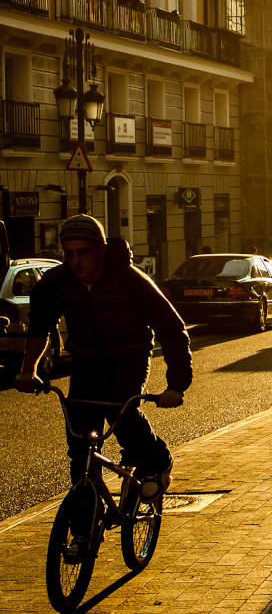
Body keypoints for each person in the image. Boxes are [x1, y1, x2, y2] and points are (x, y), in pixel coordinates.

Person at [15, 215, 190, 558]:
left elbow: (171, 328)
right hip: (86, 362)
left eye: (83, 252)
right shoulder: (57, 283)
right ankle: (82, 534)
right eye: (69, 253)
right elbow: (38, 327)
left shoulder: (129, 280)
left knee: (118, 408)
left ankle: (157, 459)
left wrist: (176, 385)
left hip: (129, 356)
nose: (76, 261)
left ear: (101, 250)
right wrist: (27, 371)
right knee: (79, 449)